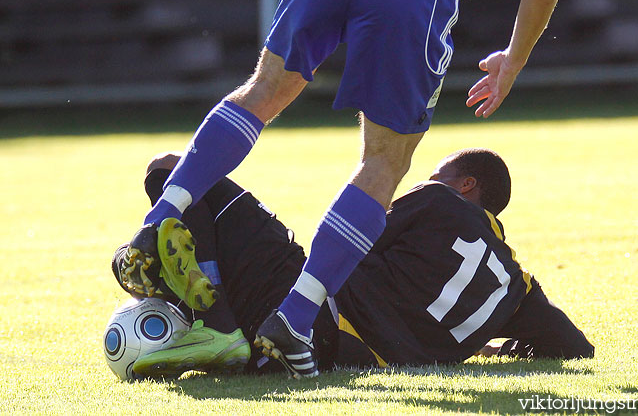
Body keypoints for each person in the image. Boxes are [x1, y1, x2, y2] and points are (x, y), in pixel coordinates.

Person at [118, 0, 561, 378]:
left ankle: (157, 220)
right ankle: (294, 319)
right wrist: (513, 61)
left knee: (263, 92)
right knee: (385, 160)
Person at [113, 149, 592, 378]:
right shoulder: (517, 286)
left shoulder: (440, 202)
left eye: (437, 174)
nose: (427, 180)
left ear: (465, 185)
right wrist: (494, 348)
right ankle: (205, 313)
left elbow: (353, 237)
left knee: (171, 168)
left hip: (297, 315)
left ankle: (212, 322)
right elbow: (575, 347)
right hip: (329, 355)